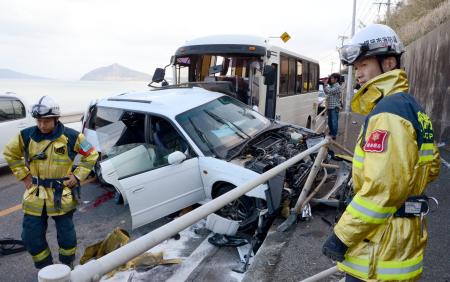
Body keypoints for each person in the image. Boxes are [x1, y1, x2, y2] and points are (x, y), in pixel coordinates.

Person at [322, 24, 440, 281]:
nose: (358, 74)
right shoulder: (413, 108)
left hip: (380, 245)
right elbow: (431, 168)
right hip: (402, 238)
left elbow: (382, 189)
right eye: (355, 67)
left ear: (388, 63)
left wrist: (341, 237)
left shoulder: (387, 113)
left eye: (363, 65)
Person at [3, 96, 99, 269]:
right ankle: (46, 269)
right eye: (39, 121)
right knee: (31, 237)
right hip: (35, 195)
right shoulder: (26, 135)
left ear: (55, 119)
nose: (42, 125)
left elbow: (91, 154)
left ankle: (66, 266)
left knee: (67, 237)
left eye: (46, 121)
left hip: (61, 194)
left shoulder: (72, 136)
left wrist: (77, 176)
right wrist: (24, 176)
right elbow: (10, 153)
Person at [323, 73, 342, 139]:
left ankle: (334, 135)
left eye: (332, 78)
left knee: (334, 121)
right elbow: (326, 92)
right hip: (330, 106)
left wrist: (325, 84)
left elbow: (330, 91)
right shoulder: (332, 86)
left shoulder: (337, 86)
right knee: (330, 121)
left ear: (336, 79)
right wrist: (325, 85)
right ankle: (331, 132)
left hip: (334, 107)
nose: (331, 79)